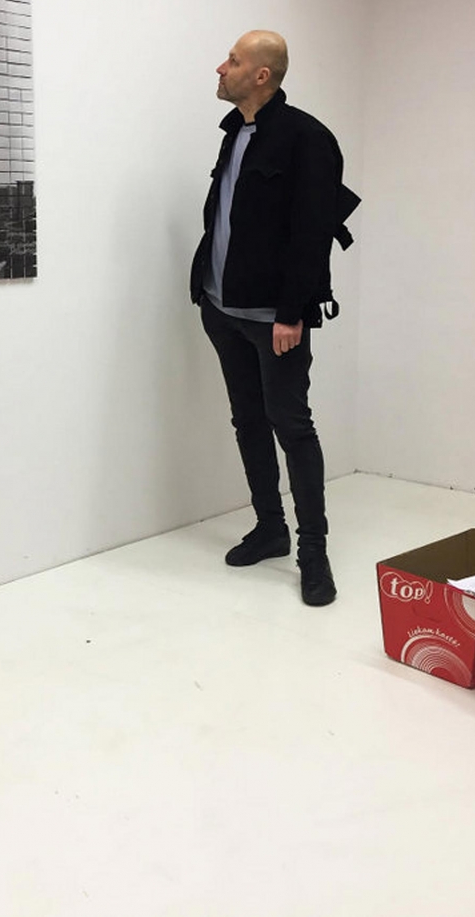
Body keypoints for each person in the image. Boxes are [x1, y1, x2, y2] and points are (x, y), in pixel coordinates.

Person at [190, 30, 343, 606]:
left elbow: (312, 234)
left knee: (293, 427)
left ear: (261, 75)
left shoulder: (308, 138)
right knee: (248, 422)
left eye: (232, 60)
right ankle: (270, 529)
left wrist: (292, 312)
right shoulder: (235, 132)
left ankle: (313, 553)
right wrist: (208, 294)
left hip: (274, 321)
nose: (220, 67)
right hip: (221, 309)